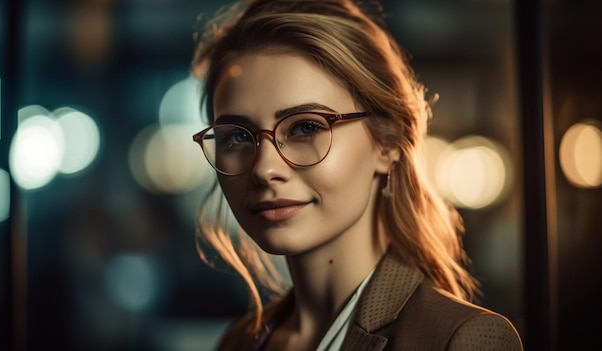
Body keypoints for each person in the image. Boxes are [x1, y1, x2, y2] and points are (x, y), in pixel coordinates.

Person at [191, 0, 524, 350]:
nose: (264, 169)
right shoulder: (238, 342)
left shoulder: (460, 340)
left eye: (305, 127)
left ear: (387, 142)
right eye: (237, 136)